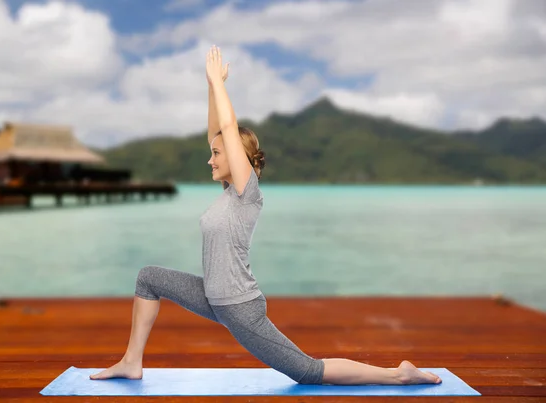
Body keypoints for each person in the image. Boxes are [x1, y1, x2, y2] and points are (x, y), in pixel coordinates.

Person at [89, 45, 442, 386]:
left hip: (241, 308)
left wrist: (218, 85)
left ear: (236, 157)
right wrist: (213, 87)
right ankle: (131, 362)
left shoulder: (247, 193)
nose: (210, 159)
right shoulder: (229, 193)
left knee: (307, 371)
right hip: (214, 298)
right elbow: (218, 130)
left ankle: (398, 374)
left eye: (216, 154)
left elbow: (228, 130)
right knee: (148, 277)